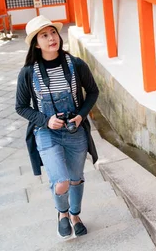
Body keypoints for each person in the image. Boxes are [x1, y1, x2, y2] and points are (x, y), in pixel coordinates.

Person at [15, 15, 99, 238]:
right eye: (44, 35)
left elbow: (93, 91)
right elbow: (21, 107)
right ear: (36, 43)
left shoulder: (76, 64)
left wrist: (81, 116)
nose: (52, 38)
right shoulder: (28, 73)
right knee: (61, 181)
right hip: (46, 133)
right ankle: (62, 213)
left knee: (76, 178)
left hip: (75, 131)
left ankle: (75, 215)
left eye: (53, 33)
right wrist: (45, 120)